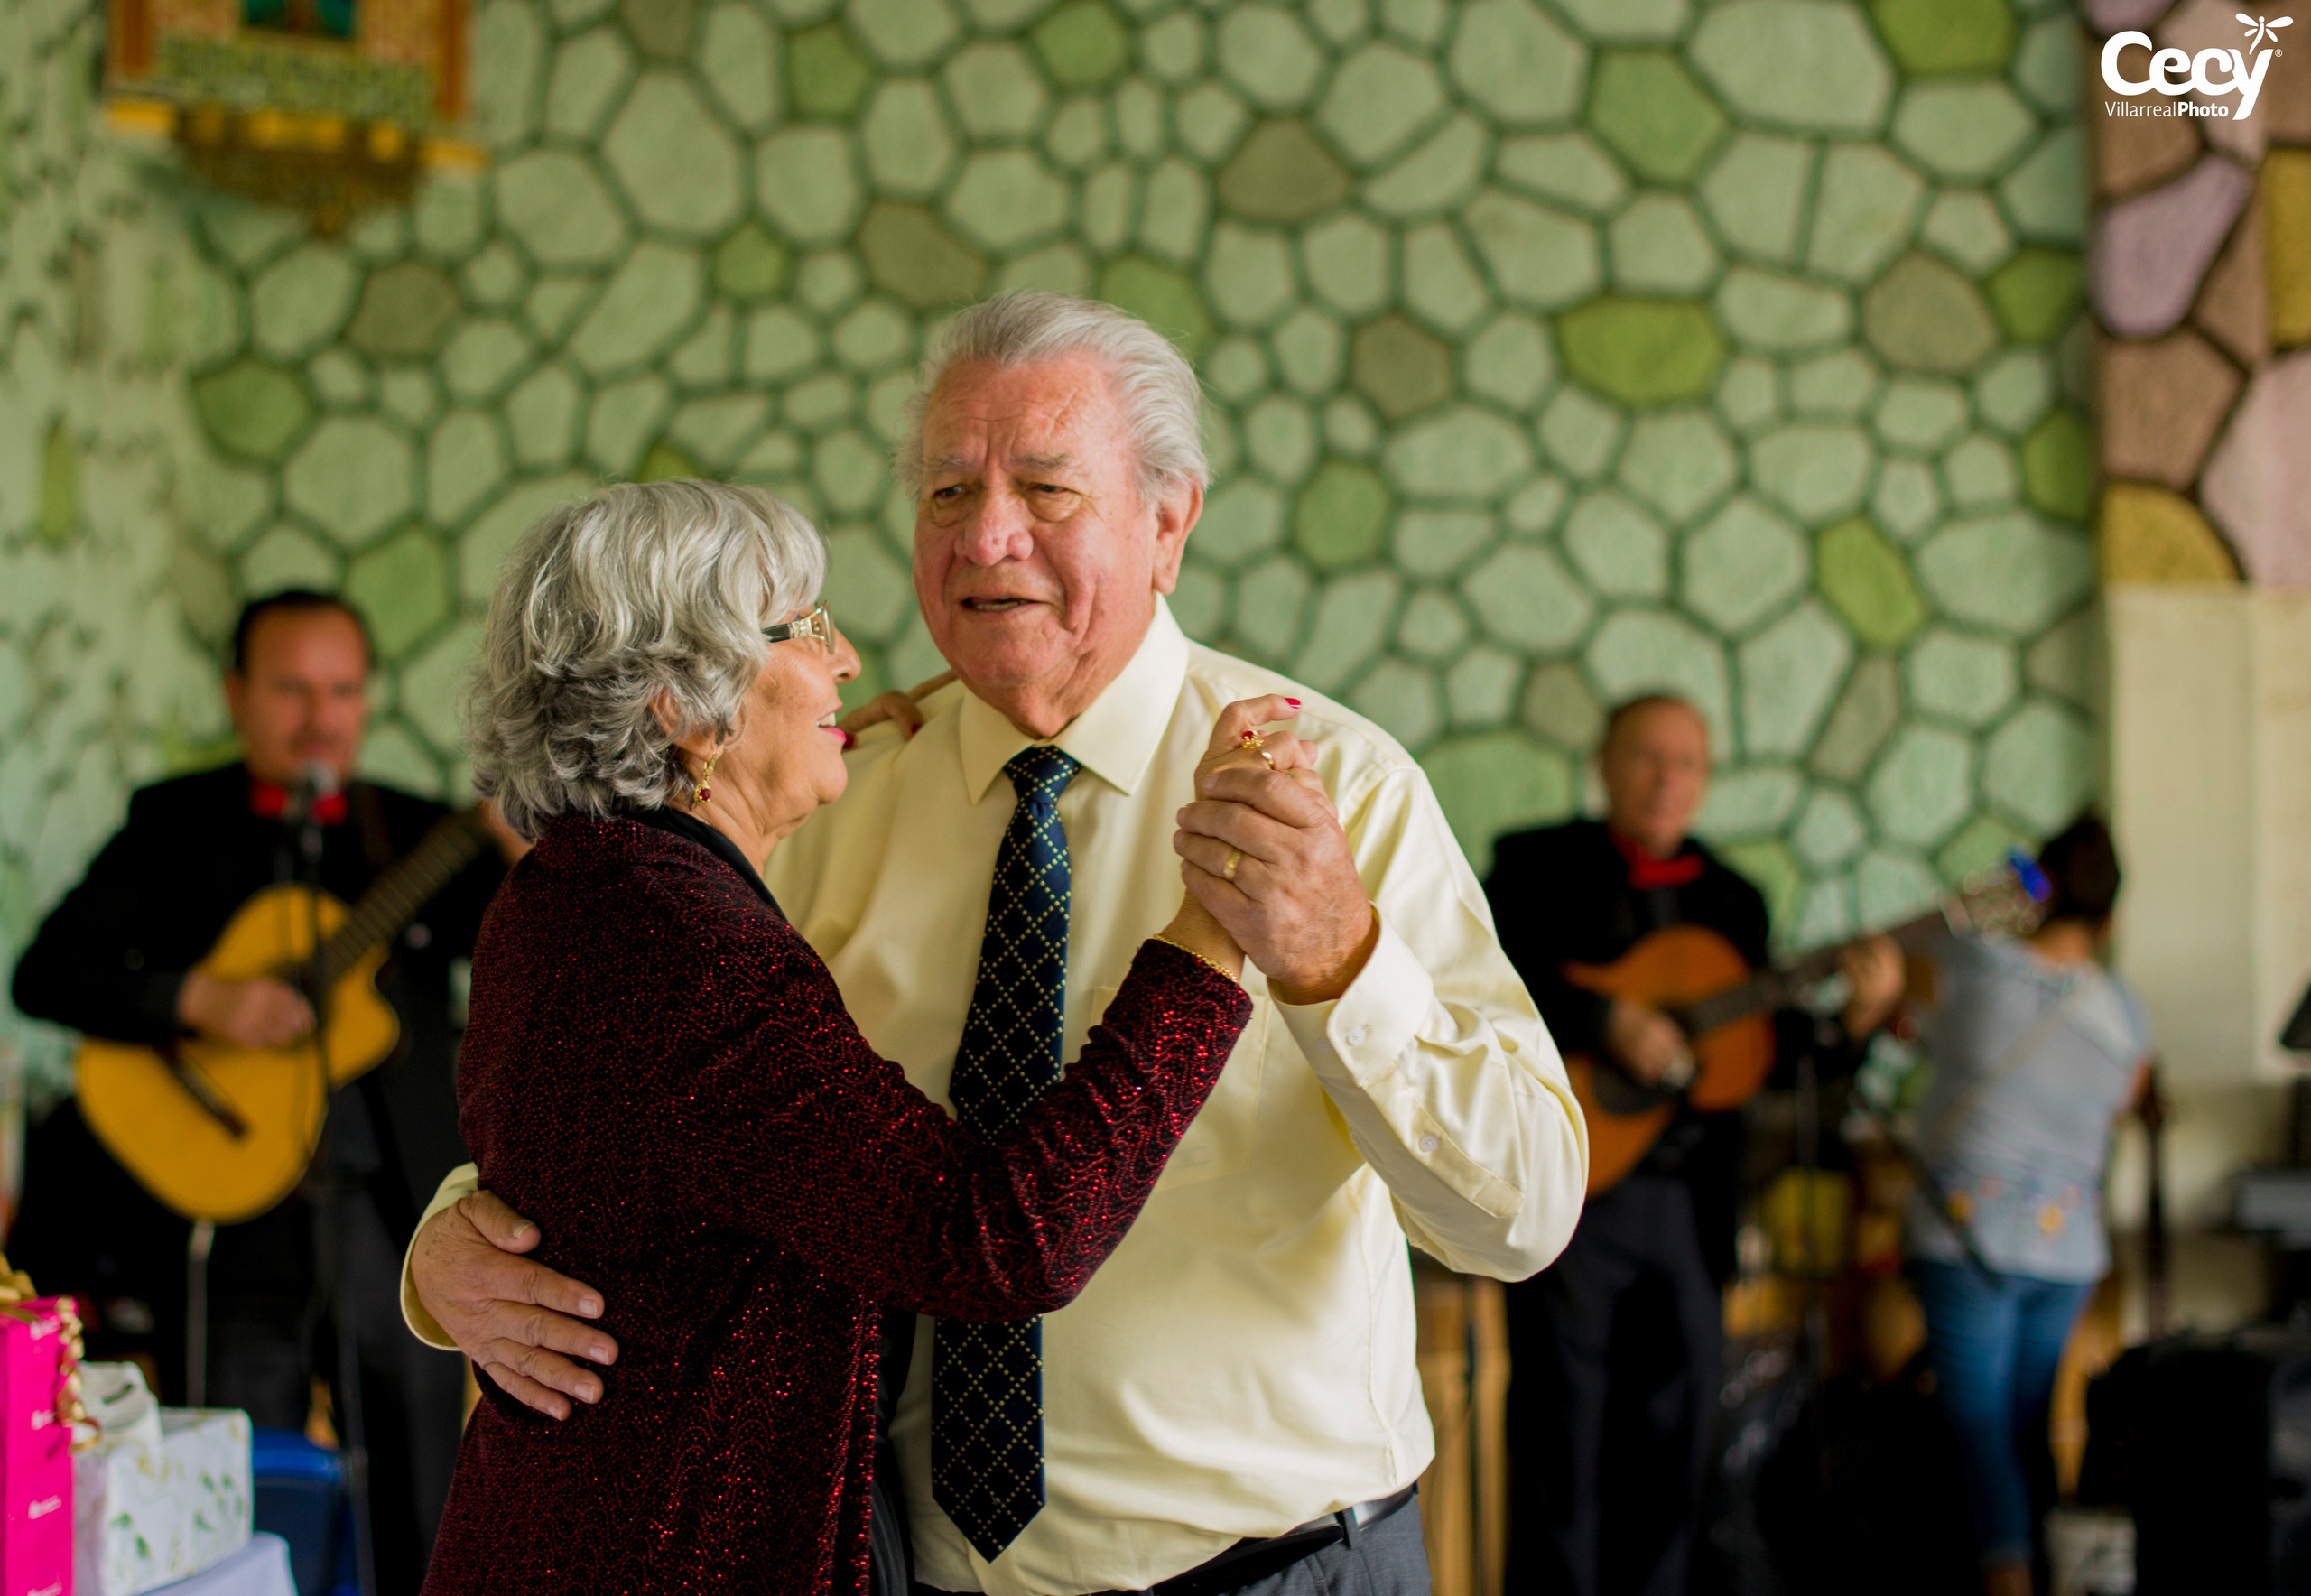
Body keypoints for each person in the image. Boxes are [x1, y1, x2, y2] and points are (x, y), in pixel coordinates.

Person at [404, 292, 1589, 1596]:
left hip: (1277, 1574)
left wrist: (1336, 962)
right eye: (948, 492)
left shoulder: (1338, 795)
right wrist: (457, 1237)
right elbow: (658, 1110)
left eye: (1046, 488)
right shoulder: (821, 809)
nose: (989, 535)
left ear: (1169, 523)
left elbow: (1524, 1219)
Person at [419, 478, 1264, 1592]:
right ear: (683, 702)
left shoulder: (570, 892)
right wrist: (1211, 933)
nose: (849, 660)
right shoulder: (690, 948)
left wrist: (823, 761)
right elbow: (998, 1241)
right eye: (804, 629)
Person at [7, 589, 515, 1593]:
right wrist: (197, 997)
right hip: (227, 1218)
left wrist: (523, 845)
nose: (319, 714)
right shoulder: (172, 823)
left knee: (425, 1481)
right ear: (236, 694)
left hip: (398, 1215)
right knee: (239, 1483)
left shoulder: (418, 831)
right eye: (290, 687)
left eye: (341, 689)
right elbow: (47, 971)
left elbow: (539, 947)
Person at [1483, 695, 1903, 1596]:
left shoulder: (1733, 901)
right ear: (1603, 762)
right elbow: (1481, 983)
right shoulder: (1533, 868)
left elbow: (1769, 1055)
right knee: (1561, 1435)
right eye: (1646, 756)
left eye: (1686, 762)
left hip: (1691, 1206)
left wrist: (1857, 1022)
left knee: (1672, 1442)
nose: (1666, 778)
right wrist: (1604, 1014)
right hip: (1571, 1201)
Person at [1903, 814, 2149, 1596]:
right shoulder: (2124, 1012)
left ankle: (2007, 1578)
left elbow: (1899, 980)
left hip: (1965, 1230)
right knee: (2030, 1425)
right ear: (2110, 917)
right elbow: (2120, 1108)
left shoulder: (1968, 967)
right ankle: (2046, 1572)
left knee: (1976, 1429)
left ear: (2033, 890)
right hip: (2068, 1247)